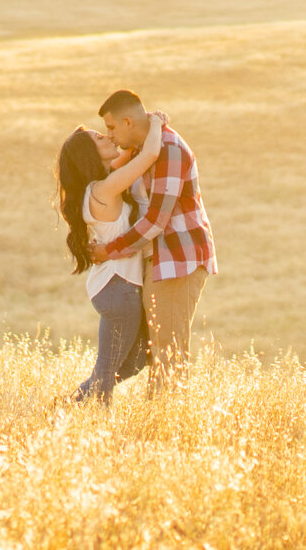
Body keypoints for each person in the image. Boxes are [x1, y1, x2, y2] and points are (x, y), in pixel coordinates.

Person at [93, 87, 215, 392]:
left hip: (177, 258)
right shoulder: (140, 150)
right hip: (158, 259)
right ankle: (153, 420)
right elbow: (103, 176)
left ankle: (166, 425)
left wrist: (110, 250)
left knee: (169, 351)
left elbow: (156, 220)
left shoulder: (169, 149)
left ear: (128, 122)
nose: (109, 136)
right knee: (158, 349)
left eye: (111, 128)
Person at [53, 109, 169, 403]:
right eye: (99, 136)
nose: (108, 137)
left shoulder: (100, 185)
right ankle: (94, 423)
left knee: (133, 362)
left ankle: (71, 404)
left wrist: (130, 141)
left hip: (118, 287)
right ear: (89, 155)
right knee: (106, 371)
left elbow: (127, 155)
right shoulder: (104, 190)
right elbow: (150, 154)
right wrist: (156, 121)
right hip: (118, 289)